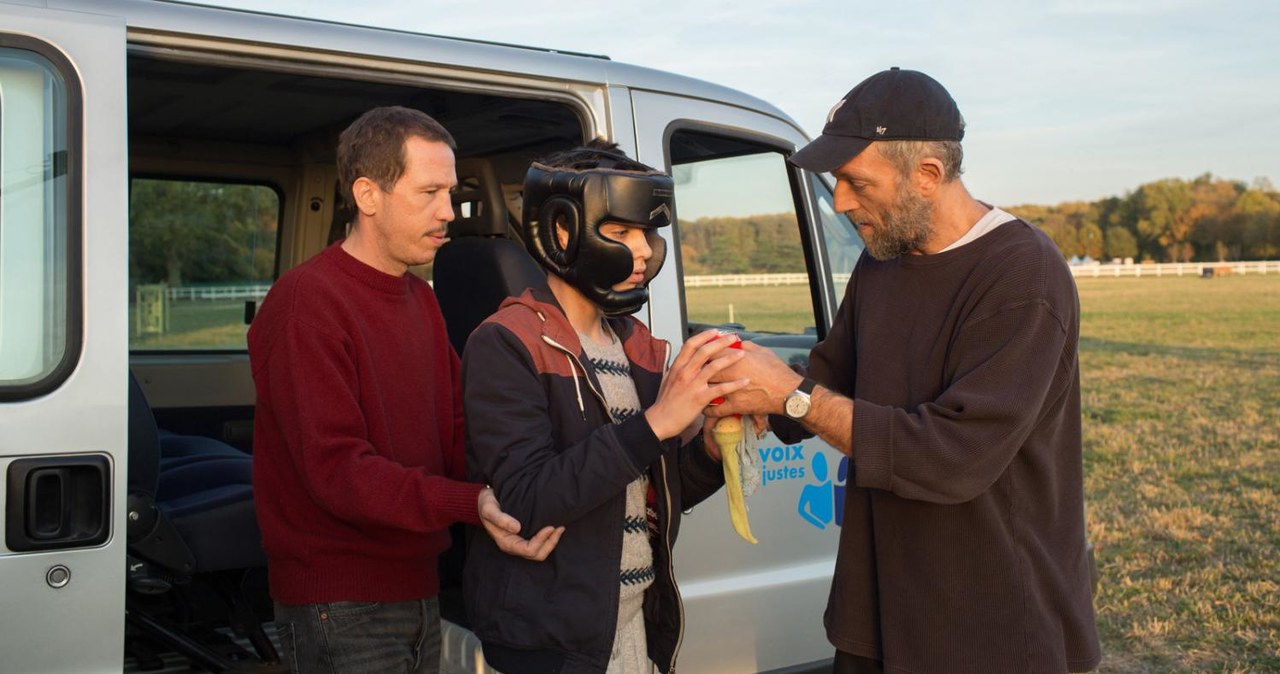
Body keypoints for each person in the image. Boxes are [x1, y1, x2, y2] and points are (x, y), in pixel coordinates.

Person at [706, 68, 1102, 674]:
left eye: (855, 181)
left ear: (928, 174)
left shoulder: (1024, 276)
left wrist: (793, 399)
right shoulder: (883, 261)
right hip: (876, 618)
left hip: (992, 629)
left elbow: (952, 456)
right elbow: (830, 375)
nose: (839, 201)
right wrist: (748, 395)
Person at [248, 105, 561, 674]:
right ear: (369, 195)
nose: (449, 212)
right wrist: (470, 503)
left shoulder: (419, 298)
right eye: (430, 192)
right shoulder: (306, 305)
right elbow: (337, 472)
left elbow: (460, 424)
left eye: (451, 191)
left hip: (418, 587)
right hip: (339, 604)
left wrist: (526, 483)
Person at [461, 142, 746, 674]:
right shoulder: (506, 343)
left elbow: (651, 491)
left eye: (649, 233)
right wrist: (658, 421)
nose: (643, 251)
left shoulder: (636, 343)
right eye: (621, 233)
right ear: (563, 231)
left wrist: (706, 447)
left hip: (632, 625)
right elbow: (526, 500)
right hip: (553, 644)